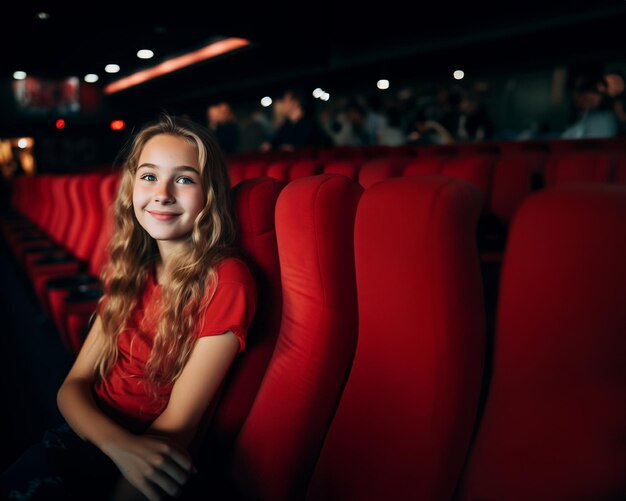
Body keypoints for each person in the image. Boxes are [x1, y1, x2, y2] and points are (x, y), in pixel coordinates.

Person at [1, 113, 257, 500]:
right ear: (131, 187)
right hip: (94, 439)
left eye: (184, 179)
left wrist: (125, 456)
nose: (163, 193)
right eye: (149, 176)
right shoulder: (132, 268)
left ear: (210, 195)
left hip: (146, 458)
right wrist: (115, 444)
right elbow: (71, 389)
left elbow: (177, 430)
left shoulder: (225, 280)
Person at [265, 89, 331, 151]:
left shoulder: (309, 126)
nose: (282, 104)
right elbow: (273, 143)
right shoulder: (286, 126)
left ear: (295, 102)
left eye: (285, 100)